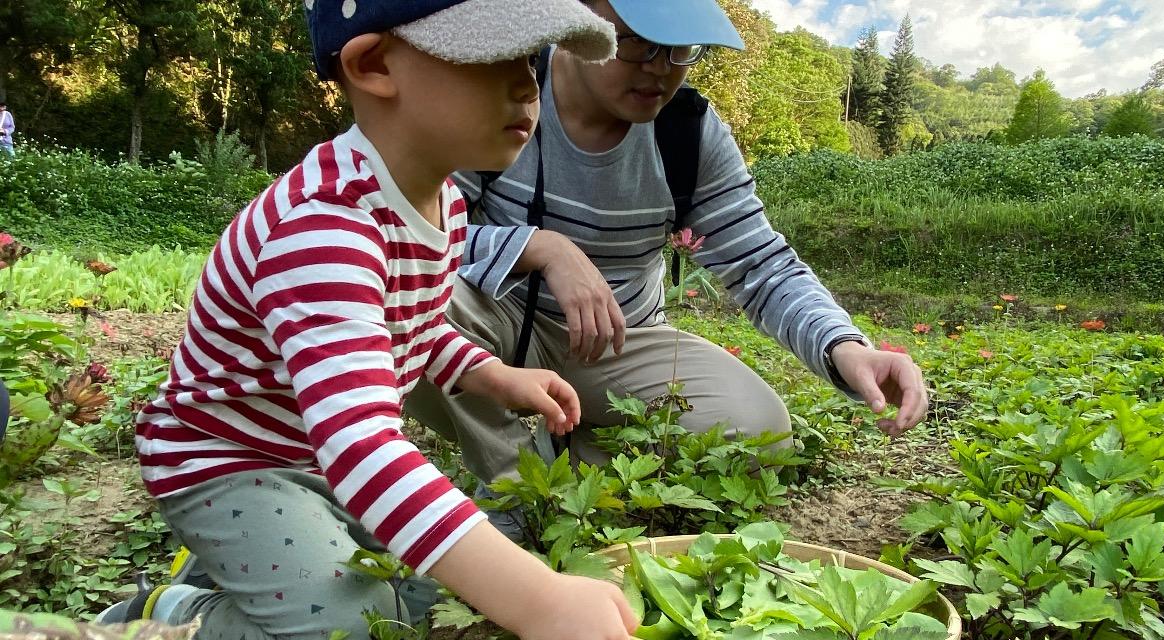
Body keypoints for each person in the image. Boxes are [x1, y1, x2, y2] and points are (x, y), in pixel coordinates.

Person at [96, 2, 638, 639]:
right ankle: (175, 613)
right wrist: (541, 602)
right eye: (493, 56)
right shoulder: (324, 228)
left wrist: (493, 375)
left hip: (315, 457)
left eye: (529, 57)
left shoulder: (445, 203)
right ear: (375, 65)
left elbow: (415, 325)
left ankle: (251, 568)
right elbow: (360, 444)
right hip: (231, 462)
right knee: (354, 628)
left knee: (427, 592)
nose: (527, 84)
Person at [404, 0, 930, 511]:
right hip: (495, 326)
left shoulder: (688, 132)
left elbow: (761, 264)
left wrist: (845, 348)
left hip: (620, 343)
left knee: (759, 433)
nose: (660, 69)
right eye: (636, 42)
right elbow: (407, 233)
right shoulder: (505, 90)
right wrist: (538, 247)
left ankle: (563, 461)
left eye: (681, 47)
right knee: (402, 300)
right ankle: (516, 490)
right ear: (577, 20)